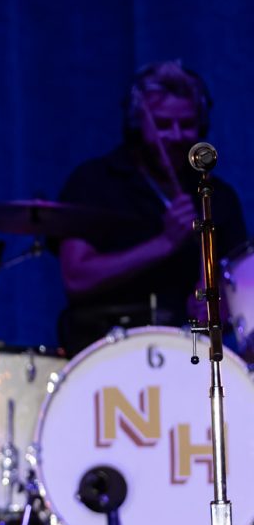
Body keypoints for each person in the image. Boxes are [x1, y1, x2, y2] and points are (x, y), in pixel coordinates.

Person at [57, 60, 247, 353]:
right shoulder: (95, 182)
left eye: (186, 125)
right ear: (137, 124)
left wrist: (219, 306)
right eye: (162, 125)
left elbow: (241, 288)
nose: (176, 136)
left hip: (189, 352)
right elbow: (76, 278)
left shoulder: (217, 196)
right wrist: (164, 243)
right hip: (105, 350)